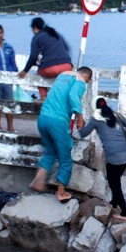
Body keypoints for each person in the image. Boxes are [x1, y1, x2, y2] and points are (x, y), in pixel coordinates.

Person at [29, 67, 92, 202]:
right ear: (87, 77)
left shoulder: (62, 76)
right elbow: (73, 96)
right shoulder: (80, 81)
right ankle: (61, 193)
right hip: (57, 122)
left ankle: (38, 181)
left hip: (43, 118)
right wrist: (80, 117)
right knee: (65, 158)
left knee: (50, 151)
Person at [79, 96, 126, 220]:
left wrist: (80, 125)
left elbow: (83, 133)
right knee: (115, 179)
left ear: (95, 106)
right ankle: (114, 203)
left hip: (113, 156)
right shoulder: (116, 115)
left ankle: (125, 213)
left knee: (114, 183)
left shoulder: (95, 119)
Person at [18, 17, 72, 101]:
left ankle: (44, 98)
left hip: (51, 69)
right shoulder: (55, 33)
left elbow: (33, 57)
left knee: (38, 75)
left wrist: (25, 71)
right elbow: (67, 48)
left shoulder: (36, 38)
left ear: (34, 28)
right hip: (67, 66)